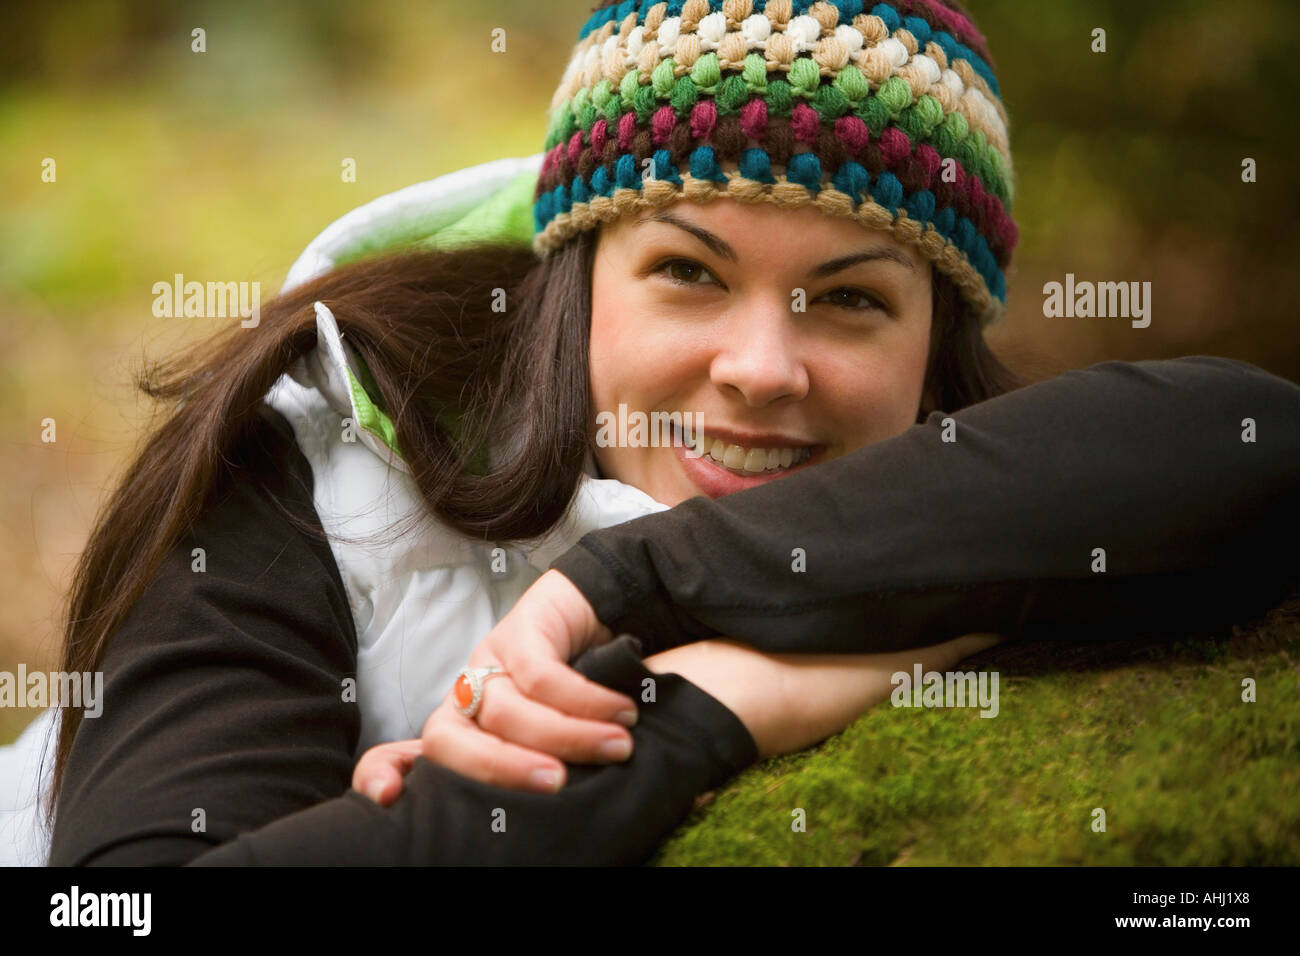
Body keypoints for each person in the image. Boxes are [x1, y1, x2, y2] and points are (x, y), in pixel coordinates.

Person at [2, 0, 1294, 866]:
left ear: (936, 346)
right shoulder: (320, 442)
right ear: (579, 277)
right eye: (688, 271)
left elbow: (1258, 436)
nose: (760, 370)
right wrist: (707, 708)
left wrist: (630, 588)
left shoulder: (973, 469)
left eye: (848, 299)